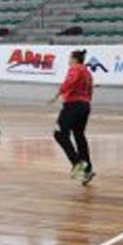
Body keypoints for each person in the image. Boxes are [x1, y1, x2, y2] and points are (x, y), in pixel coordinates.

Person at [49, 49, 95, 185]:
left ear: (74, 59)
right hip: (85, 105)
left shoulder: (75, 68)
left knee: (59, 134)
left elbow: (71, 81)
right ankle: (87, 168)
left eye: (69, 58)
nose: (68, 61)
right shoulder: (87, 71)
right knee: (79, 135)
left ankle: (77, 163)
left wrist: (58, 93)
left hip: (73, 105)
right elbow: (90, 89)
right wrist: (86, 101)